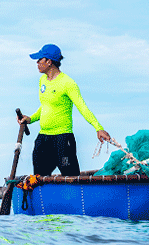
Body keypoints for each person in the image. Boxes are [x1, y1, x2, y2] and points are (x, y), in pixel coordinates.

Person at [19, 44, 111, 176]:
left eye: (40, 59)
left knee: (71, 177)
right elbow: (45, 105)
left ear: (49, 62)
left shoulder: (68, 83)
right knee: (39, 178)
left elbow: (82, 106)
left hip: (63, 139)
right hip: (43, 139)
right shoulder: (42, 81)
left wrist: (98, 128)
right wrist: (30, 119)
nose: (37, 63)